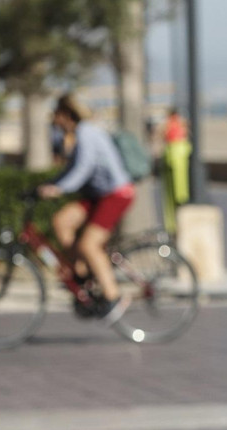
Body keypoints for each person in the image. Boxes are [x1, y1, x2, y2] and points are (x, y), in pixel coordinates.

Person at [35, 93, 135, 321]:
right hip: (97, 195)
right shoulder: (77, 135)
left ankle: (113, 297)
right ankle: (81, 273)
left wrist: (58, 189)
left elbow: (82, 169)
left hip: (116, 194)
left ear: (66, 114)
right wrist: (49, 184)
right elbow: (71, 170)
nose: (54, 121)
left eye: (56, 116)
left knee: (89, 244)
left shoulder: (87, 133)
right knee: (61, 221)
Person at [160, 108, 192, 233]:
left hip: (173, 153)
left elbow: (161, 135)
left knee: (173, 195)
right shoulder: (180, 124)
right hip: (178, 153)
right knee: (179, 192)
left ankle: (173, 224)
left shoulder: (169, 124)